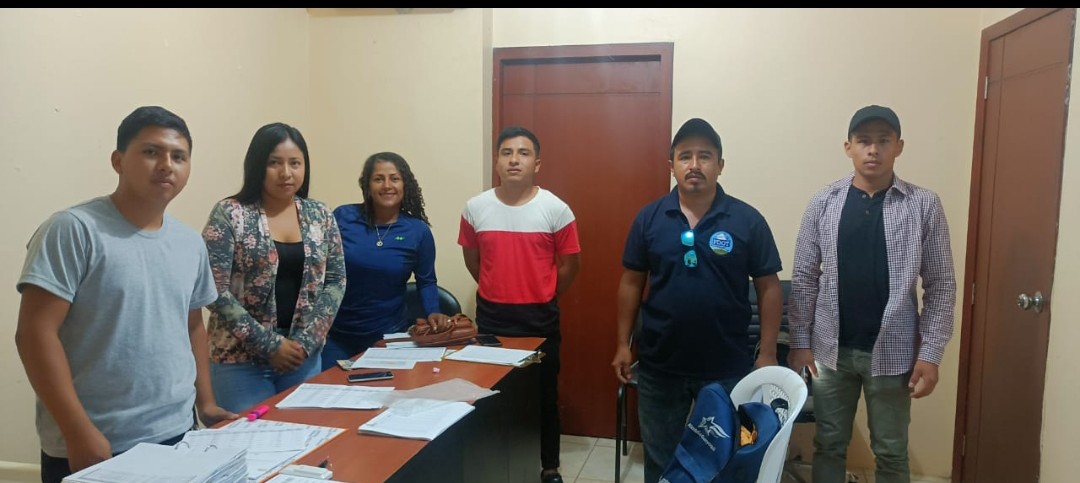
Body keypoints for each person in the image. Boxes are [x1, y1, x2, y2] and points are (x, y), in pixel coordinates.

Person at [15, 106, 238, 483]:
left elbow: (192, 327)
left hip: (178, 432)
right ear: (118, 161)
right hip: (96, 442)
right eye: (151, 152)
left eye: (179, 156)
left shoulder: (189, 242)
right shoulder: (73, 230)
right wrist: (77, 431)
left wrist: (206, 402)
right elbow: (35, 334)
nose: (166, 165)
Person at [788, 105, 956, 483]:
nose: (873, 150)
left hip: (894, 352)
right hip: (830, 351)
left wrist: (930, 353)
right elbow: (804, 277)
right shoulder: (823, 202)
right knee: (829, 445)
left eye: (883, 141)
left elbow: (941, 283)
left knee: (891, 451)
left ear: (899, 146)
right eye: (864, 141)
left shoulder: (923, 204)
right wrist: (800, 342)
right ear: (848, 147)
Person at [611, 118, 784, 483]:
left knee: (724, 462)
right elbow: (631, 282)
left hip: (726, 366)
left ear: (720, 165)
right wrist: (623, 344)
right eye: (685, 156)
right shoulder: (650, 218)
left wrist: (767, 353)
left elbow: (769, 287)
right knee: (661, 462)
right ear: (671, 165)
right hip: (661, 365)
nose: (694, 164)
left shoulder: (747, 220)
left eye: (704, 156)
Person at [458, 126, 581, 483]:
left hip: (540, 319)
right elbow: (473, 261)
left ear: (537, 163)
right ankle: (497, 467)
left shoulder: (556, 209)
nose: (514, 160)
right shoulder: (475, 208)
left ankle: (549, 466)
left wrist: (543, 292)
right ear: (496, 161)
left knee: (543, 396)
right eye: (507, 152)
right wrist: (498, 286)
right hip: (493, 319)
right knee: (494, 396)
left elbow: (571, 266)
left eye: (523, 153)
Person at [202, 122, 346, 413]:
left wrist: (305, 343)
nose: (286, 173)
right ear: (257, 165)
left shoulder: (320, 215)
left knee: (305, 436)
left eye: (295, 163)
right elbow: (214, 288)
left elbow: (336, 280)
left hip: (302, 356)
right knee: (250, 438)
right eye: (274, 163)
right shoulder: (230, 213)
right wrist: (270, 345)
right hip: (239, 361)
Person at [320, 152, 449, 371]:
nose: (387, 185)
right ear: (367, 185)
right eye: (378, 179)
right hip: (336, 336)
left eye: (394, 178)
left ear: (404, 184)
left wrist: (432, 311)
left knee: (384, 389)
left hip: (388, 338)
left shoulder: (418, 231)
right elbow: (319, 271)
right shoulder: (342, 217)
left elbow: (426, 281)